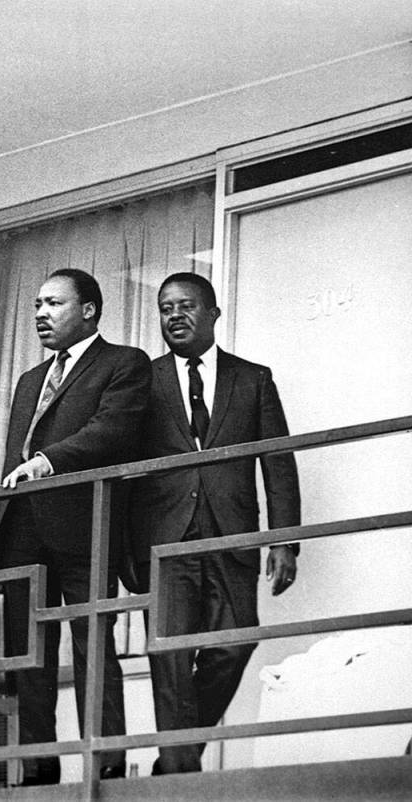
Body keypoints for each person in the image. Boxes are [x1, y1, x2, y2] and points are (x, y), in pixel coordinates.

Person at [130, 272, 300, 774]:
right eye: (165, 308)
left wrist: (284, 541)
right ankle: (180, 776)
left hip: (233, 534)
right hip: (165, 541)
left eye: (185, 306)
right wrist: (125, 554)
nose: (174, 316)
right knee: (170, 658)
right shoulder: (144, 380)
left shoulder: (253, 379)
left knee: (236, 641)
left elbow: (277, 461)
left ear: (213, 314)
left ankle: (175, 760)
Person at [0, 268, 151, 785]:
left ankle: (104, 765)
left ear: (88, 310)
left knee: (93, 650)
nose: (40, 313)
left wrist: (46, 461)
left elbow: (111, 431)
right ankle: (37, 768)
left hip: (87, 527)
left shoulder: (123, 363)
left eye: (54, 303)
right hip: (22, 531)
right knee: (29, 656)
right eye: (37, 304)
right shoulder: (29, 380)